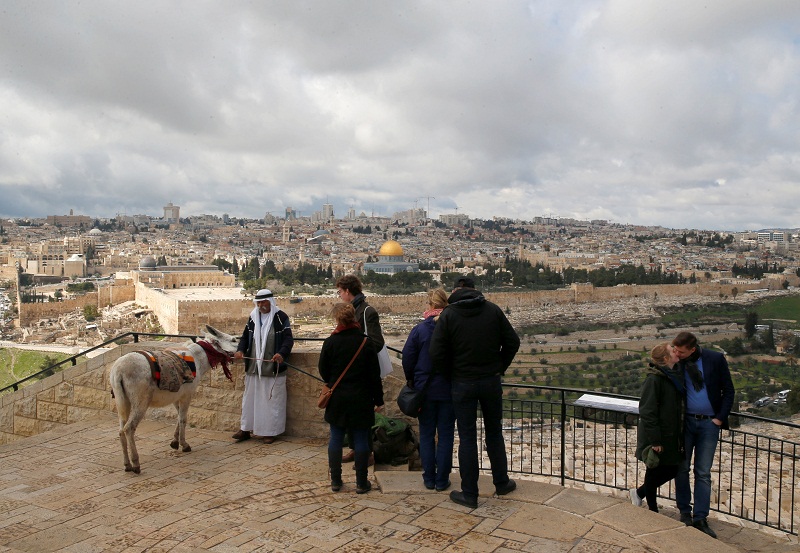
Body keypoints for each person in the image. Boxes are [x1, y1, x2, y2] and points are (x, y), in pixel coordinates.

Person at [429, 277, 521, 508]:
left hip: (462, 383)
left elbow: (436, 352)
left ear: (455, 292)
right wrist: (499, 367)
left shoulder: (449, 316)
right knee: (494, 432)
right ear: (474, 289)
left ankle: (470, 493)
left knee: (468, 437)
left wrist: (451, 373)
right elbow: (512, 341)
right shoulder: (492, 310)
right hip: (490, 381)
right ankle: (502, 482)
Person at [672, 331, 735, 539]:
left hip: (709, 424)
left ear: (692, 348)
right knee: (682, 467)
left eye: (681, 351)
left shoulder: (714, 359)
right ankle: (684, 511)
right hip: (686, 422)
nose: (677, 354)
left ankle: (700, 517)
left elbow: (728, 390)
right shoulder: (677, 362)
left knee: (703, 472)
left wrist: (719, 419)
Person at [319, 303, 384, 493]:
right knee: (362, 438)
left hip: (338, 398)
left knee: (336, 438)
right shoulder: (365, 343)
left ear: (337, 320)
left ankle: (336, 481)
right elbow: (375, 375)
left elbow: (324, 371)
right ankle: (361, 483)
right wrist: (378, 400)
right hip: (361, 398)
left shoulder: (331, 342)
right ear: (354, 319)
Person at [402, 288, 455, 492]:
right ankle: (442, 480)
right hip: (448, 390)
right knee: (446, 435)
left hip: (424, 391)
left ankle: (429, 478)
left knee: (426, 434)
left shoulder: (420, 330)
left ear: (431, 306)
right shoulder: (453, 329)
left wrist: (412, 380)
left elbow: (408, 358)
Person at [232, 289, 294, 444]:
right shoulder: (253, 318)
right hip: (254, 366)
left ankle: (269, 432)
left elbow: (288, 339)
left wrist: (281, 353)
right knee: (249, 399)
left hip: (272, 367)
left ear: (270, 302)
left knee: (271, 400)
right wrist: (240, 350)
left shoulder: (280, 317)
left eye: (263, 302)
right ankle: (246, 429)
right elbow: (245, 337)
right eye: (258, 302)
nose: (260, 305)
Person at [335, 274, 385, 465]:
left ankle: (367, 454)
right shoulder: (350, 310)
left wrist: (358, 354)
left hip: (363, 373)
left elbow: (377, 342)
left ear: (348, 291)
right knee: (351, 416)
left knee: (363, 418)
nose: (339, 295)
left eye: (340, 291)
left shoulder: (367, 311)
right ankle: (356, 450)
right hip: (350, 374)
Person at [631, 343, 685, 512]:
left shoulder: (670, 376)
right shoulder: (655, 379)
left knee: (671, 469)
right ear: (665, 359)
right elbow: (647, 410)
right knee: (655, 470)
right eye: (672, 351)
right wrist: (655, 440)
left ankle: (639, 493)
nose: (676, 353)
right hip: (658, 435)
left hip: (669, 433)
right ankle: (652, 509)